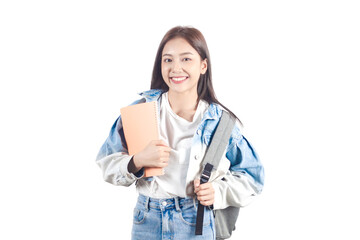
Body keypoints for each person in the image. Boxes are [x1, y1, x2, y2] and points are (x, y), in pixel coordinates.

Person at [96, 26, 264, 240]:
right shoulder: (140, 111)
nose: (176, 68)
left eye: (186, 59)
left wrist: (218, 192)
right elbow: (106, 163)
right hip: (147, 219)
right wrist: (136, 161)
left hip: (196, 221)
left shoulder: (220, 123)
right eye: (168, 60)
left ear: (203, 65)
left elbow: (253, 177)